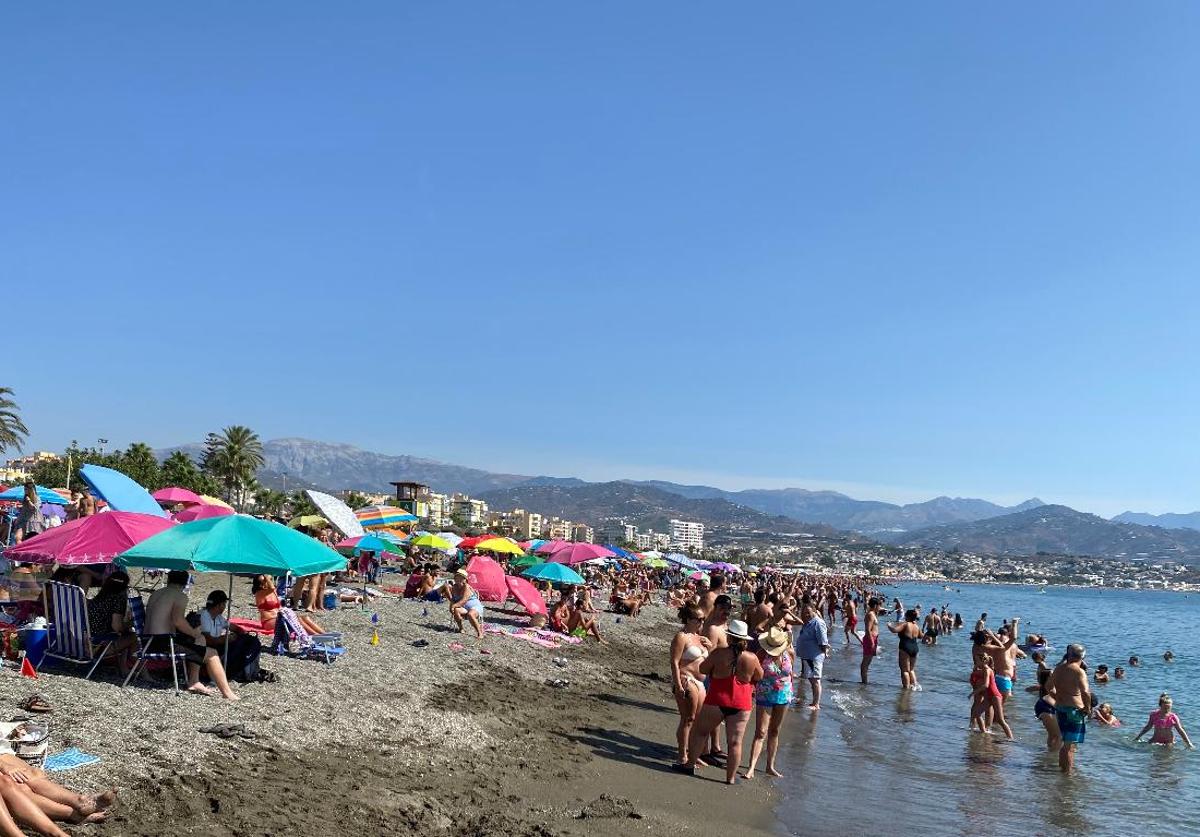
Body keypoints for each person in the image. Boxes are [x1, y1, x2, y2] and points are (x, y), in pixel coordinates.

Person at [679, 620, 762, 785]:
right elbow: (759, 676)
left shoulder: (719, 653)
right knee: (735, 742)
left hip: (718, 697)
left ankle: (689, 765)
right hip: (741, 701)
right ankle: (730, 778)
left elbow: (703, 669)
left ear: (729, 637)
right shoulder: (751, 657)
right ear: (745, 640)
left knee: (700, 732)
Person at [144, 571, 239, 700]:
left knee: (199, 640)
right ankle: (227, 693)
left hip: (146, 642)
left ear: (168, 579)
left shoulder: (156, 593)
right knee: (211, 653)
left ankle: (194, 681)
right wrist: (195, 633)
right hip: (164, 643)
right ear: (185, 583)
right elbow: (178, 621)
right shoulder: (180, 596)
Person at [743, 627, 793, 780]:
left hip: (784, 694)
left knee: (775, 731)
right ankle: (751, 767)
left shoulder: (790, 653)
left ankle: (770, 766)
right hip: (765, 694)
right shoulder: (762, 654)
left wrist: (790, 690)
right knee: (761, 732)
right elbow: (754, 674)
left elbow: (791, 674)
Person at [669, 604, 710, 767]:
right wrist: (678, 685)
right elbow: (674, 661)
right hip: (686, 679)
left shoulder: (698, 636)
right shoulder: (682, 636)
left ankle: (693, 753)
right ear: (688, 619)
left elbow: (706, 661)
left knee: (698, 720)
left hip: (700, 682)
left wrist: (710, 647)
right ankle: (682, 755)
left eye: (703, 619)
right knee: (688, 718)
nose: (701, 622)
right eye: (698, 619)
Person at [198, 590, 262, 683]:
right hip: (207, 649)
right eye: (224, 604)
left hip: (216, 646)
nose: (224, 607)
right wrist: (226, 639)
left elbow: (235, 627)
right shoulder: (204, 616)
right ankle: (235, 670)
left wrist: (239, 633)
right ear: (220, 605)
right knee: (239, 644)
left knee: (246, 640)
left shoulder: (218, 617)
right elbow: (208, 640)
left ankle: (242, 668)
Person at [1046, 644, 1089, 772]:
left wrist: (1057, 696)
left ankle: (1062, 770)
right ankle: (1068, 776)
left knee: (1064, 742)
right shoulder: (1079, 671)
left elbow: (1048, 686)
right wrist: (1087, 708)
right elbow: (1085, 692)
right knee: (1070, 747)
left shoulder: (1059, 669)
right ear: (1082, 656)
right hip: (1074, 710)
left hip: (1061, 708)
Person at [86, 570, 136, 673]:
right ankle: (135, 669)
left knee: (125, 633)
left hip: (85, 642)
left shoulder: (99, 598)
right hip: (99, 645)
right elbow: (117, 627)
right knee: (134, 636)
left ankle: (124, 667)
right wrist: (132, 623)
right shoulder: (117, 599)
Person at [252, 575, 327, 636]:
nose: (267, 581)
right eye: (264, 581)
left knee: (304, 617)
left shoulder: (272, 592)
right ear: (260, 585)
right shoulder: (259, 594)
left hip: (279, 618)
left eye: (267, 580)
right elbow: (272, 587)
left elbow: (273, 591)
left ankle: (324, 634)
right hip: (269, 621)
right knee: (298, 621)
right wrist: (267, 577)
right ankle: (315, 635)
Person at [794, 601, 830, 710]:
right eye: (804, 613)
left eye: (808, 612)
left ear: (814, 611)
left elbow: (823, 641)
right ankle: (813, 702)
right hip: (807, 655)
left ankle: (816, 704)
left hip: (814, 656)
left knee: (815, 680)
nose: (806, 615)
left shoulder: (818, 623)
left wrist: (825, 652)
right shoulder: (808, 622)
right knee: (811, 678)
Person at [969, 653, 1013, 739]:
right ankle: (984, 732)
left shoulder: (987, 669)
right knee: (977, 714)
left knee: (1000, 720)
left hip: (995, 695)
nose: (975, 662)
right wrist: (975, 670)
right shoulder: (984, 669)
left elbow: (986, 685)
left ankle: (1010, 738)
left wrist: (973, 693)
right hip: (989, 696)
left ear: (983, 661)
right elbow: (975, 675)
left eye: (976, 660)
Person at [1031, 652, 1060, 749]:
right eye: (1052, 675)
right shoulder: (1049, 687)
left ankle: (1050, 750)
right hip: (1046, 705)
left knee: (1052, 734)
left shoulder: (1043, 666)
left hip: (1043, 704)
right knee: (1056, 734)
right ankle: (1053, 752)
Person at [888, 609, 922, 691]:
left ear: (908, 616)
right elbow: (921, 636)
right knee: (911, 669)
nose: (905, 617)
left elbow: (894, 630)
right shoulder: (916, 626)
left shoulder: (906, 624)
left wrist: (889, 625)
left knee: (904, 670)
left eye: (906, 615)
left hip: (905, 647)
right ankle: (915, 686)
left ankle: (906, 689)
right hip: (915, 647)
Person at [447, 568, 485, 639]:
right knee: (456, 610)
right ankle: (461, 628)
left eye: (461, 578)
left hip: (475, 606)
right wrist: (451, 606)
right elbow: (453, 599)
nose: (459, 580)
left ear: (465, 580)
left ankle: (480, 633)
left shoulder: (466, 587)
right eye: (457, 578)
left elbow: (464, 600)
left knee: (471, 614)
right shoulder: (454, 587)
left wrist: (453, 606)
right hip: (464, 608)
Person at [857, 597, 882, 684]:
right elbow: (868, 630)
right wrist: (872, 642)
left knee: (868, 662)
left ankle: (865, 681)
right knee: (865, 662)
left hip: (872, 639)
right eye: (879, 605)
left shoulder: (873, 613)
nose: (880, 607)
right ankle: (864, 682)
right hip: (869, 639)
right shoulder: (870, 614)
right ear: (875, 605)